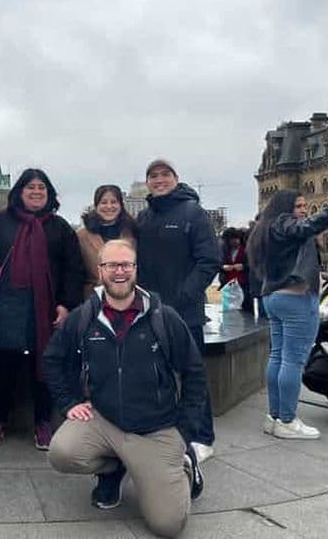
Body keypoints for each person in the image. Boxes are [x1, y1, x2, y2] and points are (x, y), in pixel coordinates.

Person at [44, 240, 205, 538]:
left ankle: (184, 463)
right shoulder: (84, 318)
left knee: (168, 525)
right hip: (105, 420)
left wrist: (185, 430)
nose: (119, 272)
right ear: (100, 270)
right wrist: (69, 403)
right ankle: (114, 468)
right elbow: (52, 359)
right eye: (112, 265)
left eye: (126, 265)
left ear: (135, 269)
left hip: (156, 429)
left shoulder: (163, 317)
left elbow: (194, 374)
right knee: (61, 453)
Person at [247, 181, 328, 440]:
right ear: (284, 208)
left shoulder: (269, 228)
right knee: (293, 360)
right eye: (298, 206)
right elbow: (313, 225)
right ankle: (288, 420)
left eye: (304, 206)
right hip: (296, 299)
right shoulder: (284, 223)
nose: (303, 210)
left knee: (278, 357)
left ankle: (276, 417)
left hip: (274, 298)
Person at [0, 168, 85, 450]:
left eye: (42, 188)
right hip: (8, 305)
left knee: (45, 364)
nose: (37, 192)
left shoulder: (60, 227)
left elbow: (73, 269)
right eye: (31, 187)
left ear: (49, 193)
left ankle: (42, 421)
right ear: (19, 192)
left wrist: (65, 304)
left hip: (46, 306)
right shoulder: (0, 223)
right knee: (2, 365)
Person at [135, 158, 220, 463]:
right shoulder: (144, 218)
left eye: (165, 175)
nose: (159, 180)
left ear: (175, 178)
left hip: (184, 314)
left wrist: (184, 295)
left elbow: (209, 259)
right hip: (149, 313)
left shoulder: (192, 213)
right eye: (153, 176)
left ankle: (202, 436)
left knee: (192, 375)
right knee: (157, 375)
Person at [77, 184, 137, 298]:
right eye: (103, 202)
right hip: (94, 299)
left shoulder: (132, 232)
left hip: (129, 297)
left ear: (121, 205)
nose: (109, 206)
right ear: (96, 205)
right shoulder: (82, 236)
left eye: (114, 202)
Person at [218, 227, 252, 313]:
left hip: (244, 282)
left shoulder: (246, 249)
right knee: (230, 309)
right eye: (232, 239)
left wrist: (244, 266)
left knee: (247, 307)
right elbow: (216, 263)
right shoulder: (223, 250)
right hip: (228, 283)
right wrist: (223, 267)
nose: (235, 241)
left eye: (237, 239)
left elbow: (254, 263)